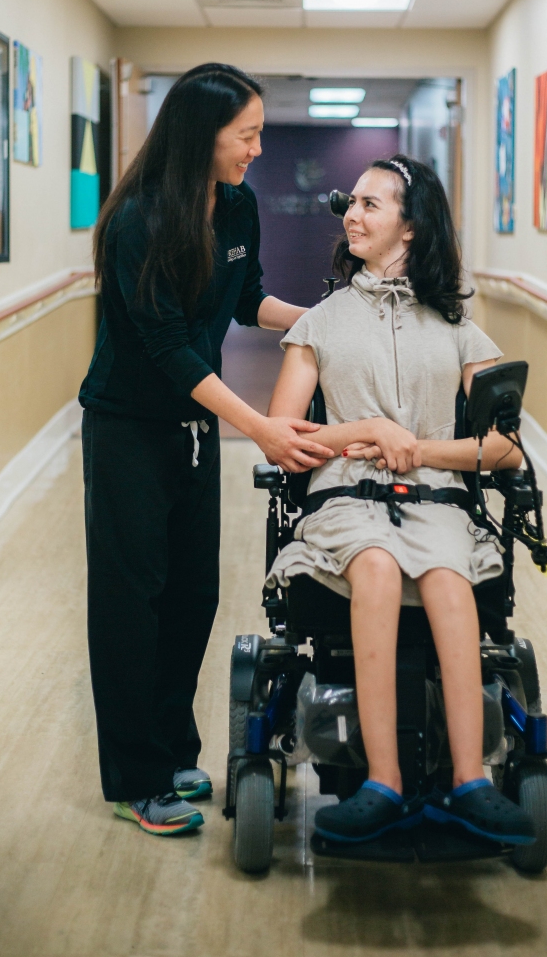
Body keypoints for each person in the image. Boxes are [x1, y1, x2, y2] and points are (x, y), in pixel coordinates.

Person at [79, 64, 333, 837]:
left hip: (192, 430)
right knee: (132, 602)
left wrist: (326, 320)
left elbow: (246, 295)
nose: (258, 148)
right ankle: (135, 777)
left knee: (192, 595)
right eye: (247, 134)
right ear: (202, 136)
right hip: (129, 428)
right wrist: (257, 426)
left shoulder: (239, 205)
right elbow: (165, 347)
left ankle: (169, 750)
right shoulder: (139, 221)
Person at [265, 156, 537, 847]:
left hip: (438, 500)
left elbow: (503, 447)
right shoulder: (319, 324)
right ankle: (382, 781)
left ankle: (471, 780)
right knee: (379, 568)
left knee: (449, 581)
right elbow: (281, 436)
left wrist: (421, 449)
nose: (352, 214)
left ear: (411, 228)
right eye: (350, 203)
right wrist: (366, 434)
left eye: (370, 204)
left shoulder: (459, 331)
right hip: (346, 499)